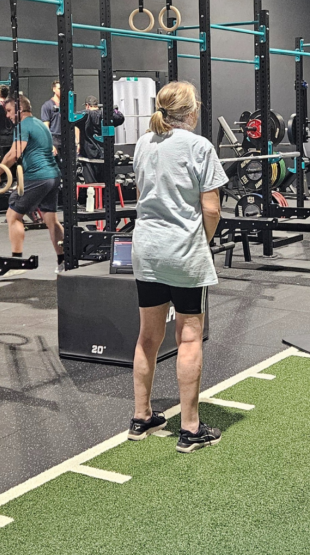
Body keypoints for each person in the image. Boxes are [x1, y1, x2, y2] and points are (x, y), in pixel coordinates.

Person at [128, 81, 227, 454]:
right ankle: (190, 428)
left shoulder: (142, 143)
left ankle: (142, 417)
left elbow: (141, 197)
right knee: (188, 337)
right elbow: (212, 210)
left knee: (148, 336)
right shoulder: (199, 146)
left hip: (147, 252)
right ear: (191, 111)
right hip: (183, 254)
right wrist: (205, 241)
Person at [0, 94, 64, 270]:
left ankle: (16, 264)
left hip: (37, 177)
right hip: (53, 175)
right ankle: (63, 261)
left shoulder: (23, 126)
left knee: (12, 216)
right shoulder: (40, 124)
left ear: (19, 109)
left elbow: (14, 153)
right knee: (51, 220)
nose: (7, 115)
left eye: (8, 111)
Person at [75, 95, 125, 184]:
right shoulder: (106, 114)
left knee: (92, 188)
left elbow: (71, 118)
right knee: (105, 186)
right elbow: (120, 117)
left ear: (87, 105)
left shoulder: (85, 115)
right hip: (104, 155)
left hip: (88, 157)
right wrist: (113, 109)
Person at [40, 81, 62, 156]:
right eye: (59, 88)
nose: (62, 90)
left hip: (66, 138)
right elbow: (46, 127)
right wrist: (50, 144)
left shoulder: (68, 105)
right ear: (54, 89)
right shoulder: (47, 106)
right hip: (54, 138)